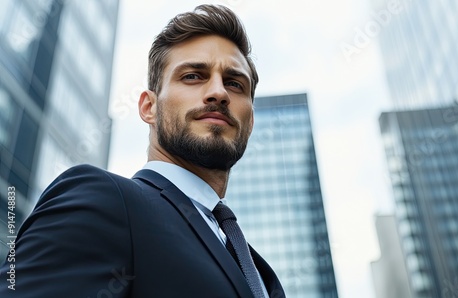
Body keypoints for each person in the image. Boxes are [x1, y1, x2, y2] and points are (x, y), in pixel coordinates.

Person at [0, 4, 285, 298]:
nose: (219, 92)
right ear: (149, 107)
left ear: (250, 122)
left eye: (235, 83)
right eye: (192, 76)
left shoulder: (257, 269)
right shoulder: (104, 200)